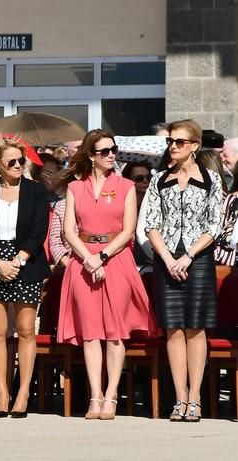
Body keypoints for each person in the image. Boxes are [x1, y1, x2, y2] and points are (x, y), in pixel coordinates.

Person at [56, 129, 158, 421]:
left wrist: (101, 256)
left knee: (114, 332)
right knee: (90, 334)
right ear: (91, 155)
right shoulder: (75, 187)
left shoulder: (126, 186)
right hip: (82, 260)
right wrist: (88, 258)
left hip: (116, 259)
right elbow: (68, 231)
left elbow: (128, 230)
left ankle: (112, 394)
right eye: (104, 151)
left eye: (113, 149)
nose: (111, 154)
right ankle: (95, 396)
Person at [144, 119, 224, 422]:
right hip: (166, 260)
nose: (173, 147)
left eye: (179, 142)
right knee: (173, 328)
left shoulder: (211, 179)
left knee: (196, 328)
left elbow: (214, 225)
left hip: (198, 258)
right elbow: (151, 222)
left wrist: (188, 256)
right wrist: (167, 257)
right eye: (170, 142)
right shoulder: (158, 179)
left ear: (194, 146)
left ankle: (195, 398)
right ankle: (179, 397)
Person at [0, 137, 51, 418]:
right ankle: (2, 393)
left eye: (22, 161)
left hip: (26, 261)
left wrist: (16, 261)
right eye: (12, 162)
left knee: (26, 329)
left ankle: (22, 392)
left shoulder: (36, 192)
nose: (18, 165)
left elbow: (38, 232)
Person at [121, 161, 154, 268]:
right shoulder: (121, 206)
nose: (145, 181)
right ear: (127, 180)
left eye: (148, 177)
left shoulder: (154, 204)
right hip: (129, 260)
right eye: (139, 178)